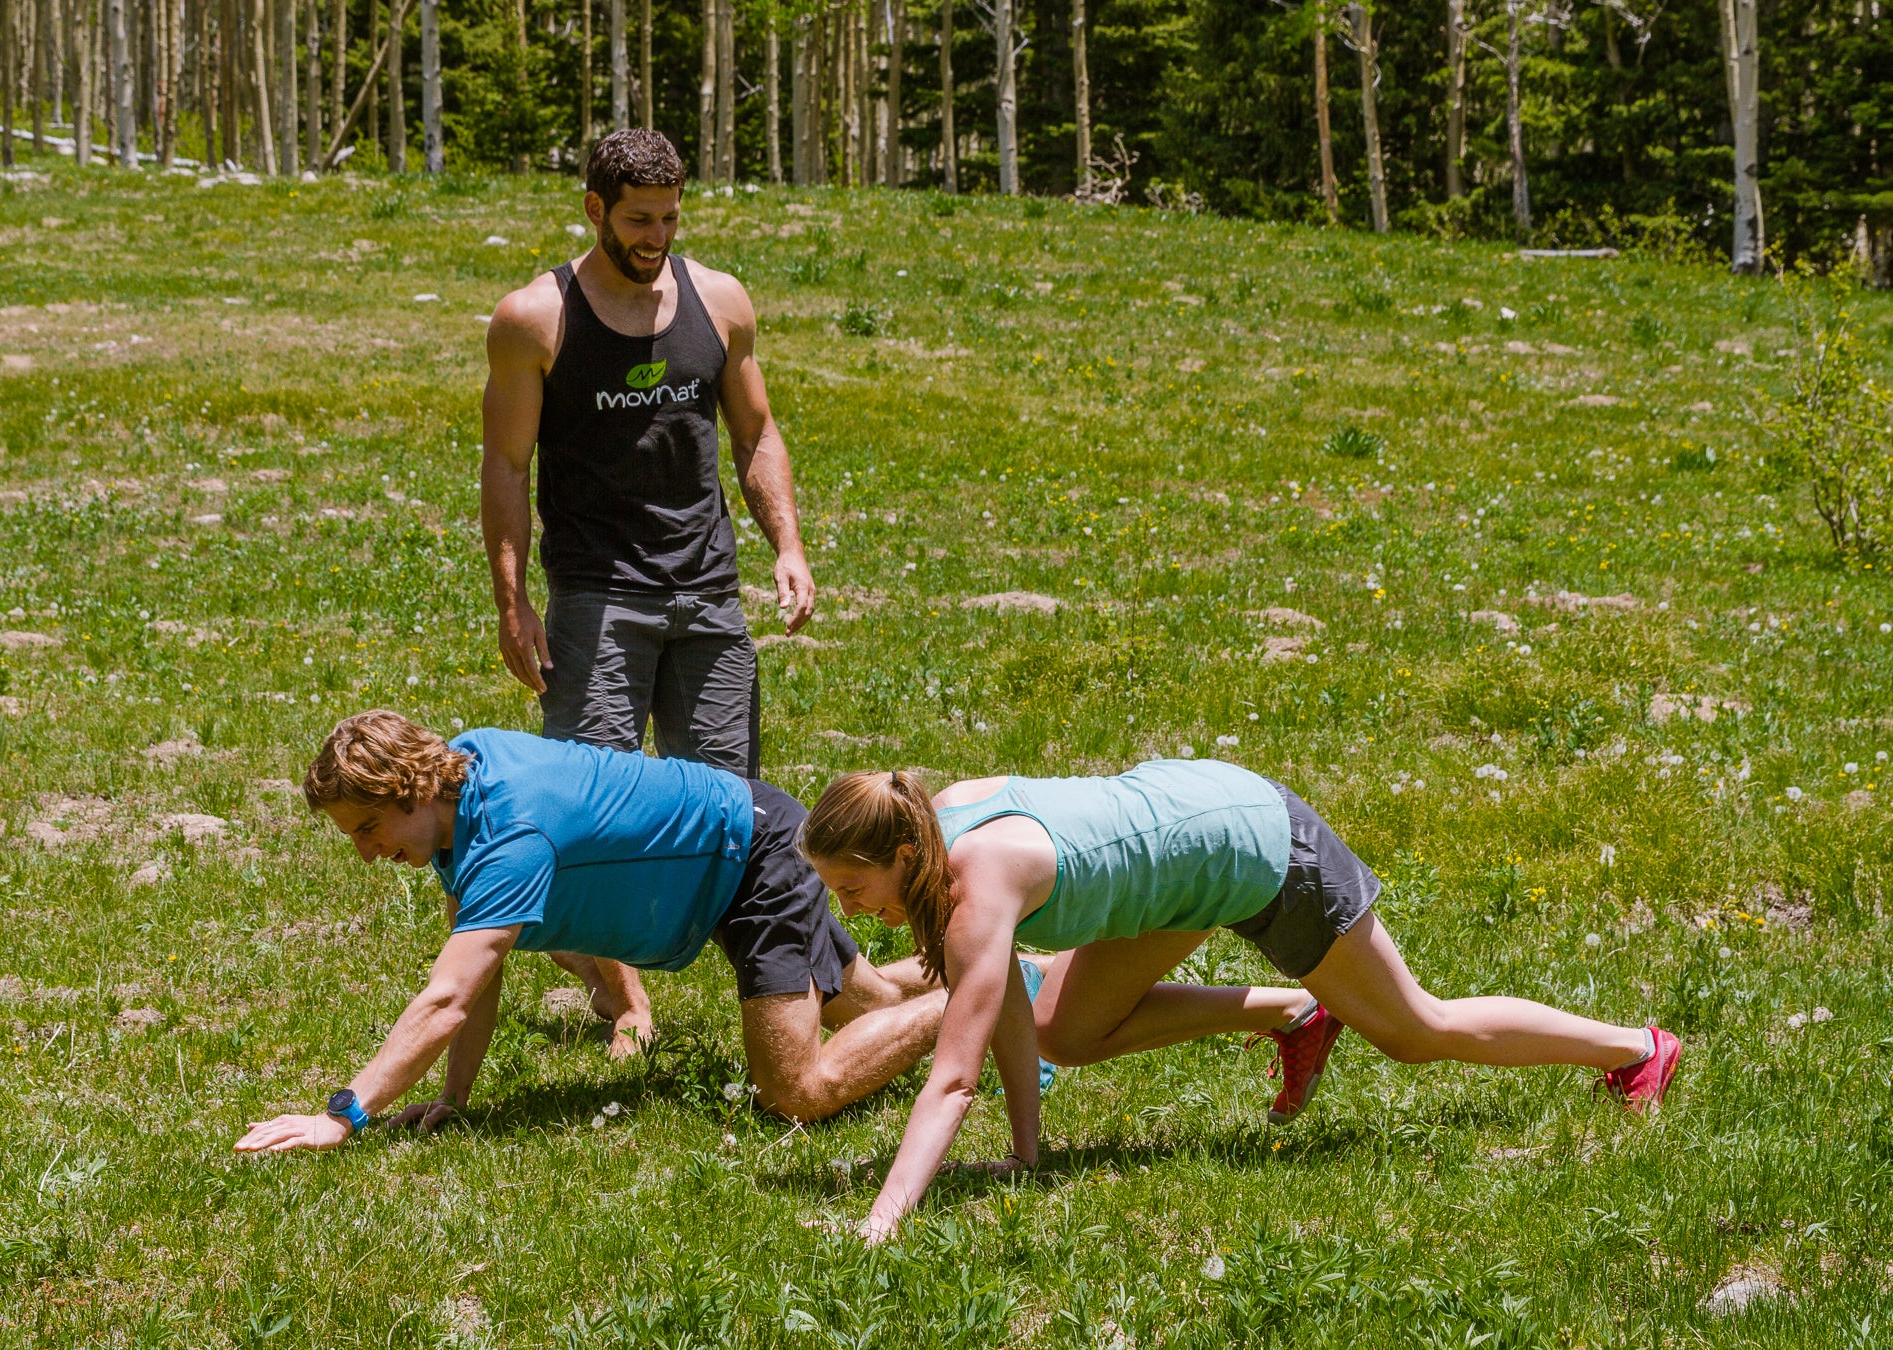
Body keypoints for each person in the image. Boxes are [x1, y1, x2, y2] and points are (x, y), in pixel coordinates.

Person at [799, 760, 1685, 1242]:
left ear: (903, 856)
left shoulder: (975, 891)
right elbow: (1007, 1016)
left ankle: (1637, 1048)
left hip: (1262, 852)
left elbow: (955, 1079)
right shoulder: (937, 814)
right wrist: (1026, 1157)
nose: (850, 909)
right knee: (1066, 1027)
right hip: (1187, 846)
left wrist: (882, 1221)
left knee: (1418, 1028)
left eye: (852, 887)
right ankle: (1296, 1013)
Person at [232, 712, 940, 1156]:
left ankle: (973, 996)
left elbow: (446, 999)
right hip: (729, 853)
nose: (364, 853)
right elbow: (476, 980)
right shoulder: (462, 777)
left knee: (794, 1090)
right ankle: (971, 975)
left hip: (752, 857)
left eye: (367, 828)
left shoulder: (511, 833)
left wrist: (344, 1115)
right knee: (873, 1004)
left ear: (414, 790)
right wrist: (454, 1097)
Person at [481, 128, 816, 1056]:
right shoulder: (535, 319)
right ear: (595, 210)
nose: (657, 237)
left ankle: (792, 994)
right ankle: (623, 998)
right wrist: (512, 600)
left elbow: (755, 433)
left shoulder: (720, 301)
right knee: (588, 816)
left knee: (730, 811)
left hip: (706, 591)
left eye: (670, 217)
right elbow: (506, 465)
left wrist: (787, 545)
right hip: (596, 594)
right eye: (638, 220)